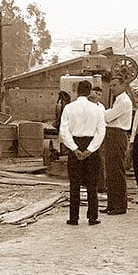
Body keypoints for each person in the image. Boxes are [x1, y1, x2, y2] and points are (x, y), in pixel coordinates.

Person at [60, 80, 105, 226]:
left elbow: (64, 131)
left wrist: (74, 149)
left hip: (75, 144)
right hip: (91, 145)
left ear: (77, 91)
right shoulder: (98, 109)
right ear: (90, 91)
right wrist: (90, 150)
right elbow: (101, 132)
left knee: (74, 184)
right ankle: (92, 217)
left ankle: (74, 218)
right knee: (92, 184)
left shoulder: (68, 108)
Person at [101, 76, 133, 215]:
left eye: (114, 85)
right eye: (111, 85)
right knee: (111, 171)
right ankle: (112, 205)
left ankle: (120, 206)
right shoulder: (118, 100)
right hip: (112, 134)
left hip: (117, 135)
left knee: (117, 172)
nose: (112, 88)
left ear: (123, 86)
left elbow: (108, 117)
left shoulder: (124, 101)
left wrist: (96, 109)